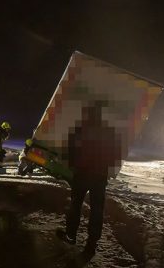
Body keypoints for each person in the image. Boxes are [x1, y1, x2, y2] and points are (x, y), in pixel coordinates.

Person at [57, 103, 120, 258]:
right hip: (99, 177)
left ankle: (71, 236)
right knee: (97, 210)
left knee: (75, 205)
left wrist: (73, 167)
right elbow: (115, 154)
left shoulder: (79, 129)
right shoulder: (109, 131)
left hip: (82, 175)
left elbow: (70, 151)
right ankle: (91, 244)